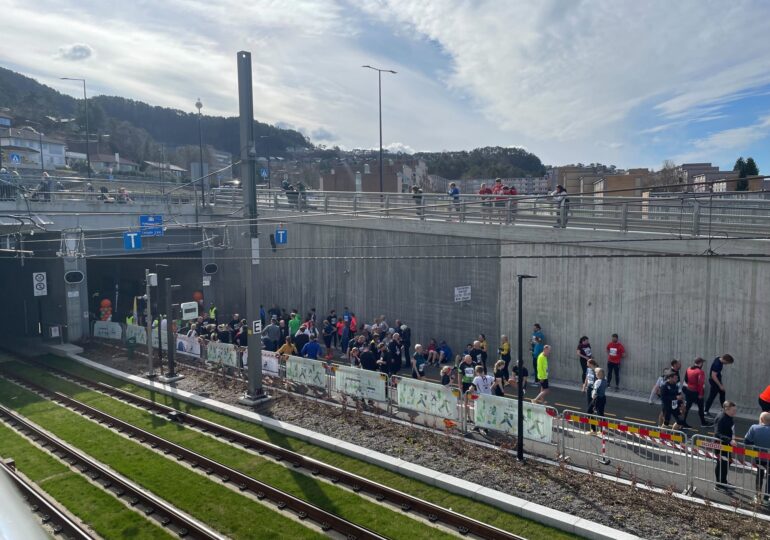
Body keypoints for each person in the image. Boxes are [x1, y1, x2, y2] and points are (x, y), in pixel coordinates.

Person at [744, 412, 770, 504]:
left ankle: (757, 496)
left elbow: (746, 441)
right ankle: (767, 498)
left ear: (761, 419)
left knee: (760, 474)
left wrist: (755, 444)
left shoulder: (754, 428)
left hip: (759, 456)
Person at [714, 401, 738, 491]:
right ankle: (718, 485)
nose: (735, 412)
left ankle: (723, 481)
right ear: (726, 409)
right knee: (721, 464)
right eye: (733, 410)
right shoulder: (721, 418)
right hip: (720, 445)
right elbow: (717, 433)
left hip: (726, 444)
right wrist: (730, 440)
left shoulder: (729, 416)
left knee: (727, 463)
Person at [683, 357, 713, 428]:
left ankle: (682, 422)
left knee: (687, 408)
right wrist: (700, 394)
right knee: (701, 407)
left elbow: (686, 380)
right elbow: (700, 384)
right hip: (696, 392)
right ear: (701, 363)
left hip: (689, 391)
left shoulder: (688, 369)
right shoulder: (700, 372)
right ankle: (703, 423)